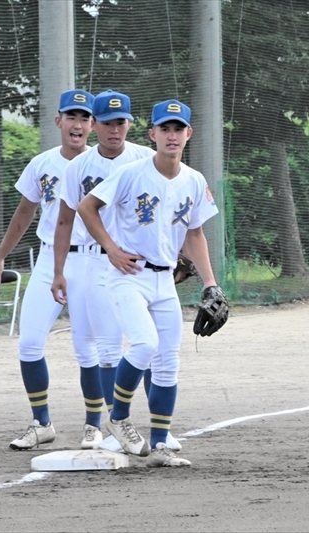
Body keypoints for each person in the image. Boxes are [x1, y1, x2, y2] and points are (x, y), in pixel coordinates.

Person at [77, 99, 221, 467]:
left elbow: (195, 234)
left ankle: (159, 446)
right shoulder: (132, 173)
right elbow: (87, 207)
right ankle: (120, 417)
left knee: (168, 363)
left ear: (189, 134)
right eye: (165, 129)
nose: (172, 136)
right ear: (152, 134)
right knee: (144, 344)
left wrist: (210, 283)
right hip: (128, 276)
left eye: (178, 129)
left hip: (165, 282)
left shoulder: (194, 180)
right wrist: (110, 248)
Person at [51, 89, 180, 453]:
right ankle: (113, 426)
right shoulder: (78, 167)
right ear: (95, 125)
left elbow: (173, 210)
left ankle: (160, 428)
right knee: (108, 347)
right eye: (107, 122)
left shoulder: (145, 156)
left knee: (155, 349)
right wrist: (59, 269)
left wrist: (176, 255)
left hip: (141, 263)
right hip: (94, 259)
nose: (114, 129)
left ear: (131, 124)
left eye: (121, 122)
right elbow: (66, 220)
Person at [0, 89, 98, 450]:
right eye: (71, 117)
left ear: (92, 125)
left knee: (86, 347)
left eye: (84, 118)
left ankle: (94, 425)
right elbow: (24, 214)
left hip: (92, 259)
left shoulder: (106, 164)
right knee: (30, 341)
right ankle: (41, 422)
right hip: (51, 258)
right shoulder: (42, 163)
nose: (77, 124)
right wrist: (1, 256)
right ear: (58, 121)